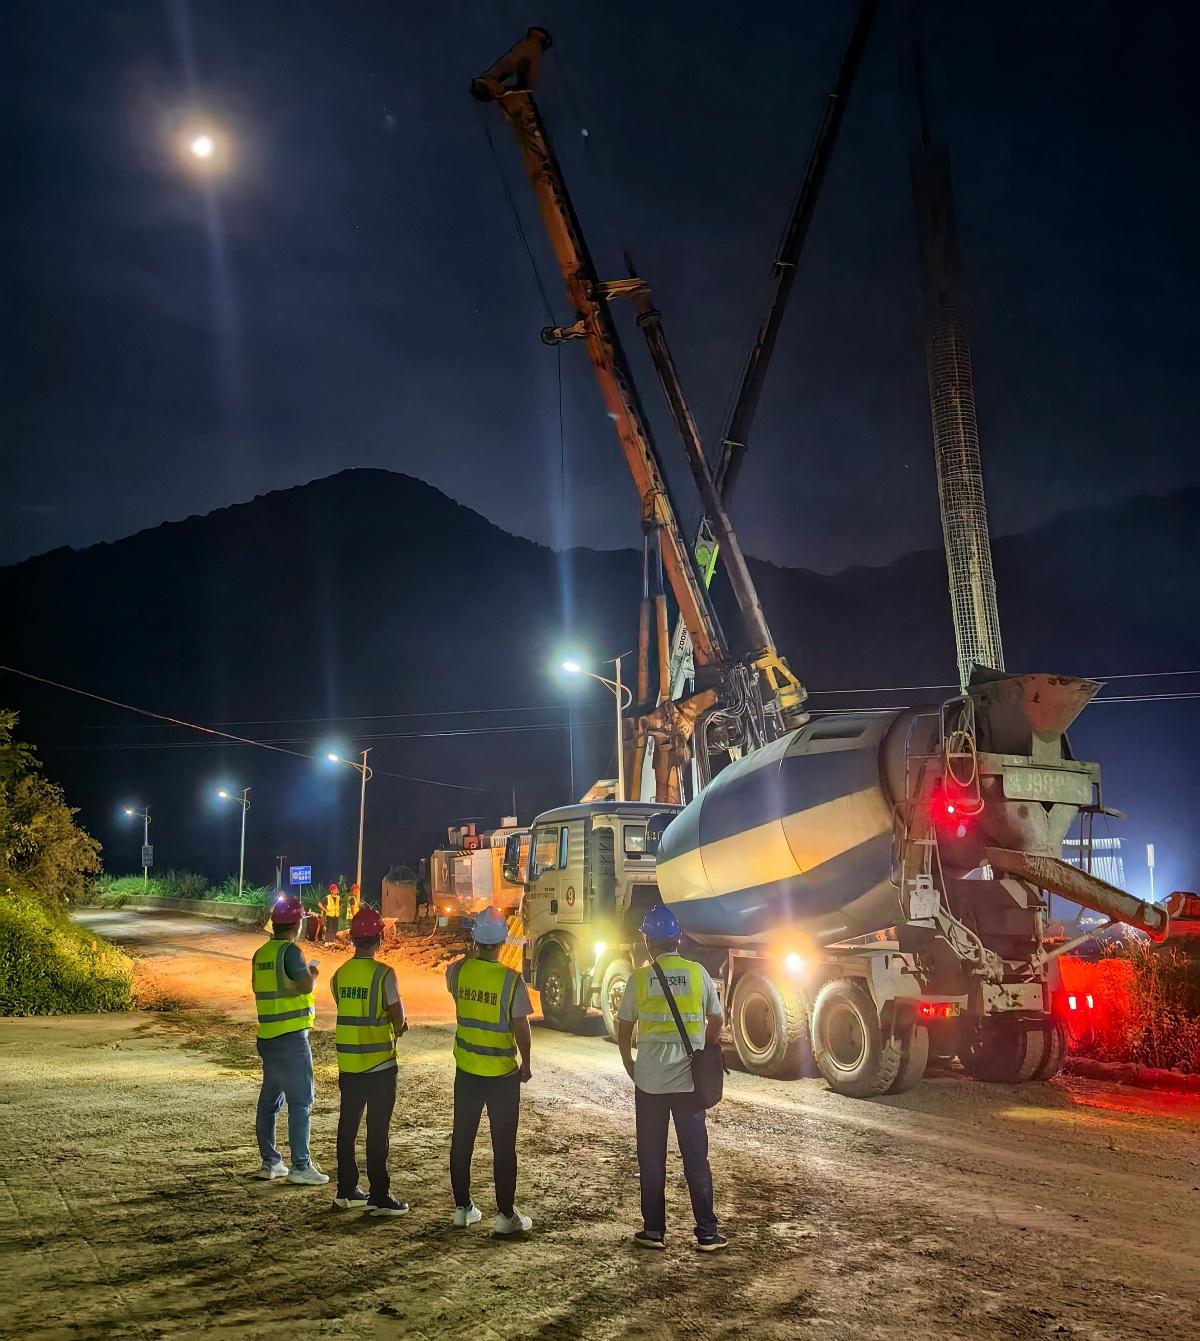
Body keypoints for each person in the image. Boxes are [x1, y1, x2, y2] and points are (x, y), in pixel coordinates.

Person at [617, 904, 727, 1252]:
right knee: (696, 1158)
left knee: (651, 1159)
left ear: (648, 942)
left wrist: (629, 1062)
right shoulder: (698, 974)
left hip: (649, 1082)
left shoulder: (638, 979)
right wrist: (703, 1048)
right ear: (678, 939)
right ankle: (707, 1233)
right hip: (689, 1085)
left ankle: (654, 1232)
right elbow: (717, 1019)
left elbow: (624, 1028)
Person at [446, 905, 533, 1235]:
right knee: (503, 1147)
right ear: (502, 941)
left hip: (466, 1071)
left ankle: (462, 1207)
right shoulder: (512, 982)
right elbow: (521, 1027)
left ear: (475, 939)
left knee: (462, 1140)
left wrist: (469, 955)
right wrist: (526, 1062)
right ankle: (505, 1215)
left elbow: (455, 978)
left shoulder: (458, 973)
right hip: (501, 1075)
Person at [329, 905, 409, 1216]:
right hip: (379, 1067)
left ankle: (346, 1190)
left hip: (348, 1065)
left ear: (352, 939)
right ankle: (379, 1194)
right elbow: (397, 1017)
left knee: (346, 1127)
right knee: (377, 1132)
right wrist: (398, 1026)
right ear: (378, 939)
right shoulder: (384, 974)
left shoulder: (339, 976)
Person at [251, 893, 329, 1186]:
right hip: (291, 1039)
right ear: (296, 924)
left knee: (270, 1102)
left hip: (268, 1036)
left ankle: (270, 1162)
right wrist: (313, 972)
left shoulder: (261, 954)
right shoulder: (291, 953)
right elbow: (304, 984)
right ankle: (300, 1165)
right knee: (301, 1101)